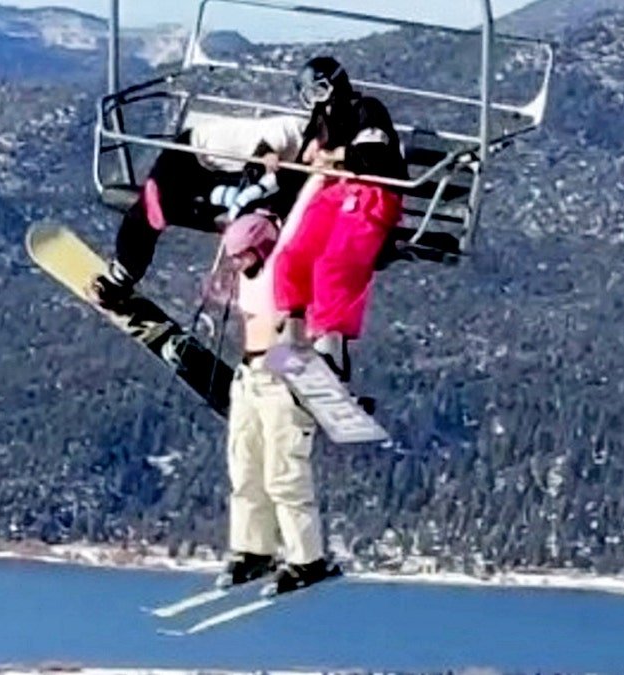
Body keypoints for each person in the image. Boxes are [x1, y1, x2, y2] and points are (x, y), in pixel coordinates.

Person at [88, 55, 362, 311]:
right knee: (152, 211)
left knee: (257, 219)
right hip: (192, 154)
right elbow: (265, 152)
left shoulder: (307, 153)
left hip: (224, 168)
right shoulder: (288, 132)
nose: (322, 158)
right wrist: (264, 173)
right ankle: (119, 280)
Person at [210, 206, 344, 597]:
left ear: (263, 246)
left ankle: (308, 559)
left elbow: (302, 213)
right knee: (245, 467)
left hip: (283, 370)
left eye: (243, 256)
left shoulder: (287, 265)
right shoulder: (249, 275)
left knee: (283, 472)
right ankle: (254, 549)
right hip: (250, 372)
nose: (237, 264)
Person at [273, 94, 408, 381]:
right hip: (340, 191)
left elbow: (373, 156)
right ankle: (293, 330)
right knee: (292, 255)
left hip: (373, 194)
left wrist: (335, 156)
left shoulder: (366, 110)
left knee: (333, 263)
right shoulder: (325, 118)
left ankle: (331, 344)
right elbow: (309, 157)